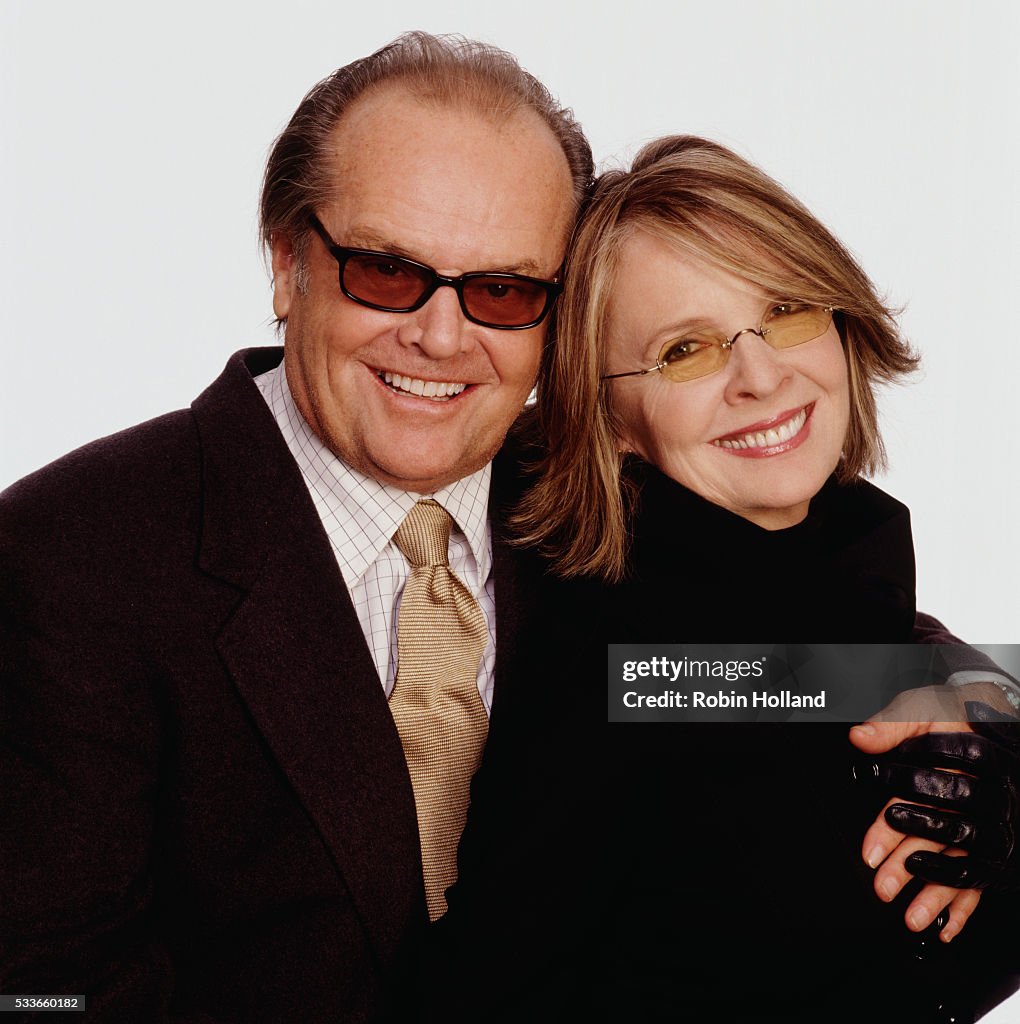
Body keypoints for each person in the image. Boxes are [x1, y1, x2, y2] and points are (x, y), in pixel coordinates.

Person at [0, 32, 591, 1023]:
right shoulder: (69, 562)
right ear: (286, 263)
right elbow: (39, 994)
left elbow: (760, 668)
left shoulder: (601, 520)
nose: (442, 337)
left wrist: (939, 698)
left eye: (503, 291)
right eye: (388, 271)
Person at [440, 135, 1020, 1022]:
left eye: (786, 309)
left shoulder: (832, 571)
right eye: (684, 351)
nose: (761, 375)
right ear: (609, 417)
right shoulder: (619, 664)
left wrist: (985, 696)